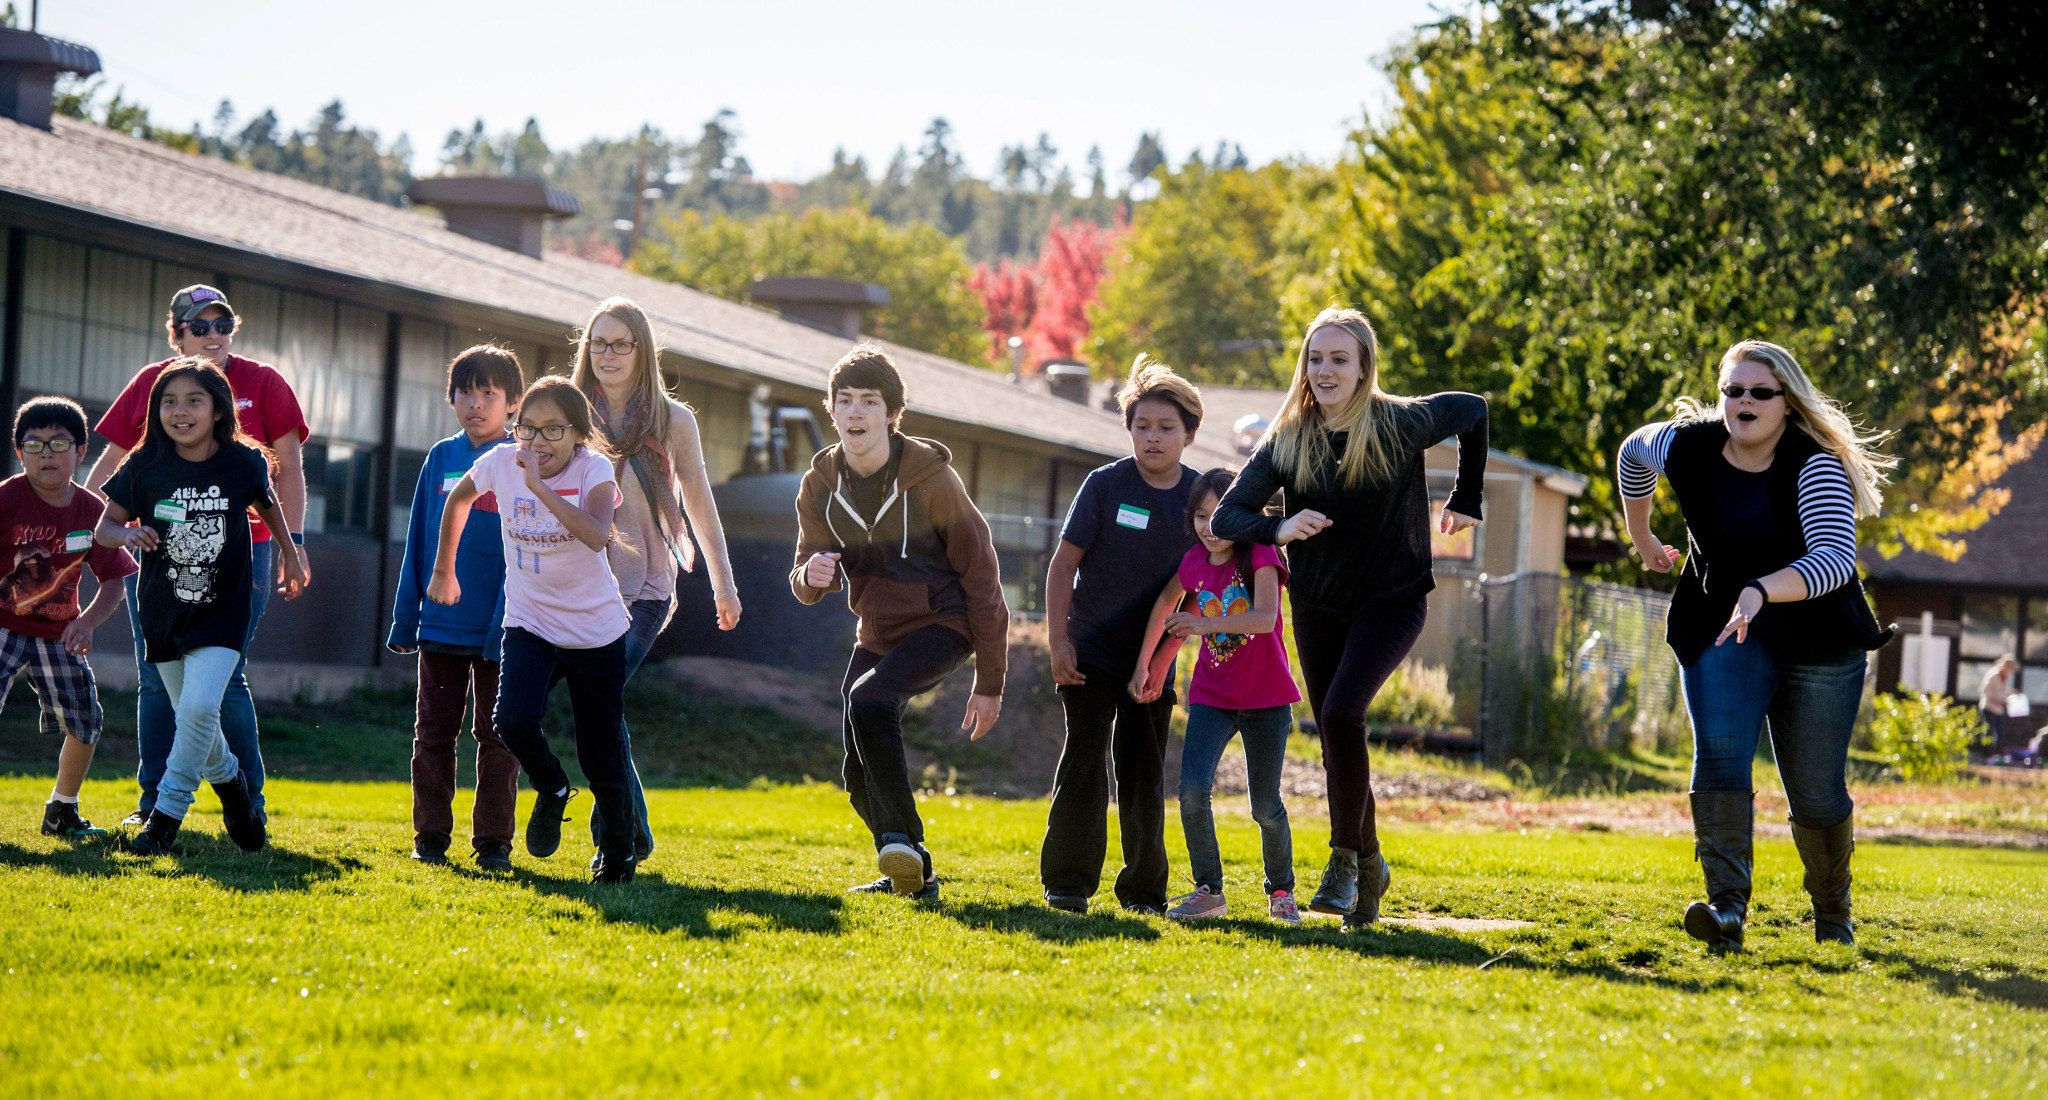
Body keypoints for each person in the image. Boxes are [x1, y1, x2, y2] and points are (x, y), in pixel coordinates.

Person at [1211, 307, 1488, 928]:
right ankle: (1371, 867)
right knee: (1338, 737)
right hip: (1317, 604)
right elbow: (1228, 516)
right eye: (1316, 359)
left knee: (1340, 714)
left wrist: (1466, 495)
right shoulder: (1289, 438)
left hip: (1392, 599)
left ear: (1364, 367)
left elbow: (1473, 410)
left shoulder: (1398, 423)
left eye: (1340, 359)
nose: (1325, 370)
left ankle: (1341, 861)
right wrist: (1279, 527)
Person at [1617, 339, 1896, 947]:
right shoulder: (1685, 444)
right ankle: (1726, 910)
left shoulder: (1814, 464)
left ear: (1786, 403)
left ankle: (1833, 915)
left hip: (1819, 637)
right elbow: (1632, 452)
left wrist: (1761, 590)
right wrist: (1643, 537)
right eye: (1734, 390)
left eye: (1761, 393)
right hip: (1724, 623)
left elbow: (1834, 560)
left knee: (1816, 792)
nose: (1745, 401)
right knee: (1720, 755)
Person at [86, 284, 310, 826]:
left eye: (222, 324)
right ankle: (152, 803)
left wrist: (295, 545)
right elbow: (112, 467)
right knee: (157, 678)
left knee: (223, 678)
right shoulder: (152, 384)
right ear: (177, 334)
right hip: (158, 555)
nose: (213, 335)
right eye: (199, 326)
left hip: (243, 556)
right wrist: (89, 535)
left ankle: (248, 804)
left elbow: (287, 470)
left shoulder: (264, 382)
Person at [791, 344, 1006, 898]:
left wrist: (990, 683)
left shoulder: (934, 481)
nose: (856, 412)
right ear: (831, 410)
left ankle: (899, 841)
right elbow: (806, 573)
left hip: (945, 623)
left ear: (892, 414)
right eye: (845, 400)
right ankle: (914, 869)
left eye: (869, 401)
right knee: (855, 773)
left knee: (869, 699)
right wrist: (810, 576)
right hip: (877, 631)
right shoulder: (819, 485)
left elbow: (983, 578)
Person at [429, 377, 638, 883]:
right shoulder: (501, 461)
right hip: (530, 621)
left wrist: (539, 487)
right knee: (512, 720)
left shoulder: (594, 470)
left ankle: (618, 855)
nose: (538, 441)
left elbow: (596, 535)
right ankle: (553, 787)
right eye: (528, 429)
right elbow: (458, 499)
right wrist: (443, 569)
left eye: (553, 430)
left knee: (601, 751)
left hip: (595, 631)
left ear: (578, 433)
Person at [569, 297, 741, 865]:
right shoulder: (569, 412)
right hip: (584, 585)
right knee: (600, 703)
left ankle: (613, 837)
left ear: (643, 351)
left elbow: (699, 503)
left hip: (647, 586)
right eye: (599, 343)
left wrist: (723, 583)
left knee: (600, 695)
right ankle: (633, 832)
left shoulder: (673, 421)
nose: (608, 355)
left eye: (621, 344)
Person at [1040, 357, 1204, 915]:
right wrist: (1058, 642)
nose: (1153, 437)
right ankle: (1067, 881)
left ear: (1189, 433)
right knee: (1084, 758)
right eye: (1142, 426)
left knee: (1142, 769)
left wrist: (1160, 661)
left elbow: (1201, 589)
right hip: (1090, 650)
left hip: (1155, 655)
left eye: (1166, 427)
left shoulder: (1202, 500)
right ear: (1129, 429)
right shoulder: (1105, 486)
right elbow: (1062, 567)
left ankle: (1143, 891)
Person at [1128, 467, 1302, 924]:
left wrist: (1202, 624)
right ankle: (1209, 890)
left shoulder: (1261, 551)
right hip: (1211, 697)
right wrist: (1146, 663)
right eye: (1201, 516)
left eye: (1220, 515)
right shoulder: (1193, 562)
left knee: (1264, 806)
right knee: (1190, 791)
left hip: (1267, 699)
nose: (1210, 527)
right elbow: (1165, 604)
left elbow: (1264, 617)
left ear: (1242, 515)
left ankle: (1281, 891)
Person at [387, 345, 524, 871]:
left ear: (513, 402)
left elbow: (527, 550)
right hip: (442, 623)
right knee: (433, 733)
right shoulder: (441, 458)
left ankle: (493, 842)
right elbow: (418, 540)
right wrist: (407, 616)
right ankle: (430, 836)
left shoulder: (522, 461)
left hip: (504, 626)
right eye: (465, 392)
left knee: (498, 735)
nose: (476, 403)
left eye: (489, 392)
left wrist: (505, 624)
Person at [2, 397, 138, 840]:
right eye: (34, 444)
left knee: (86, 720)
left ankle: (62, 810)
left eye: (59, 443)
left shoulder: (93, 511)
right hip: (4, 624)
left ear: (81, 452)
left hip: (59, 633)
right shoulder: (6, 499)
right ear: (19, 452)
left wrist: (87, 623)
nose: (46, 454)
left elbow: (114, 581)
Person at [1979, 656, 2019, 752]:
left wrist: (2011, 693)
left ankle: (1998, 754)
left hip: (1998, 709)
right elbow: (1987, 694)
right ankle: (1986, 754)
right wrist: (2002, 701)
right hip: (1989, 708)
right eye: (2010, 669)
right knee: (1989, 733)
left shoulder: (2004, 676)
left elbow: (2000, 691)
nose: (2011, 672)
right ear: (2005, 667)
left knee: (2000, 733)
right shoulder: (1993, 676)